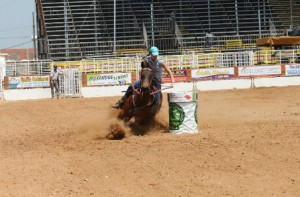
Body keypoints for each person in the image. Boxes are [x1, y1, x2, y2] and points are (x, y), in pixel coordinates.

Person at [112, 46, 175, 114]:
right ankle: (121, 102)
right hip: (146, 79)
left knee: (157, 100)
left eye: (156, 55)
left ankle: (152, 114)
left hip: (156, 82)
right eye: (154, 55)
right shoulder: (146, 60)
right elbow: (143, 70)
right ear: (150, 54)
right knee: (131, 86)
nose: (155, 56)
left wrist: (172, 81)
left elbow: (169, 71)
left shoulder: (160, 62)